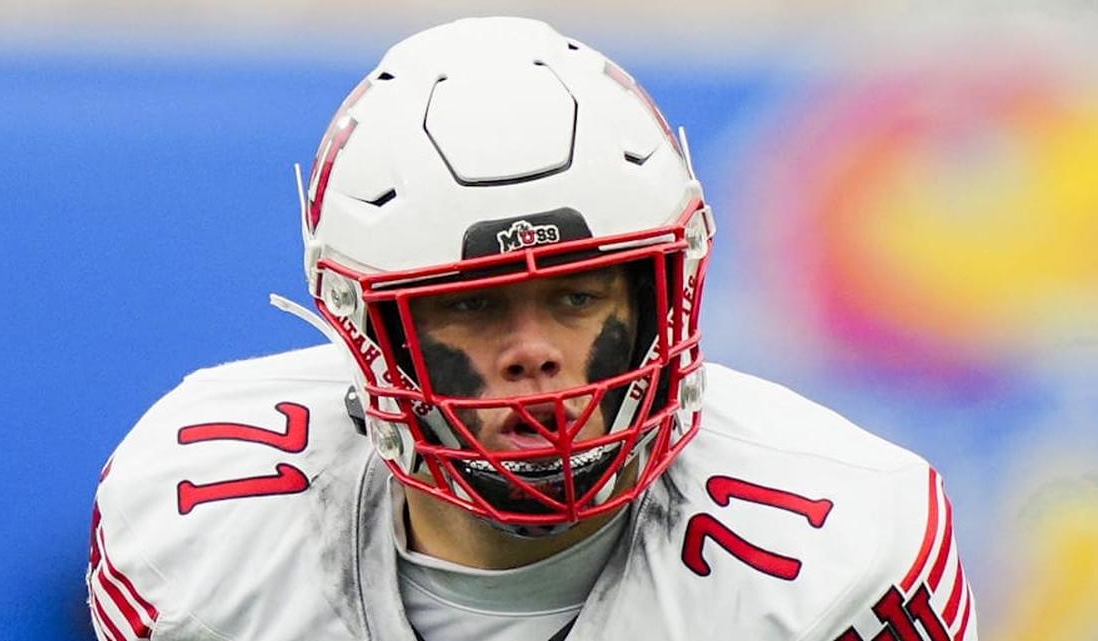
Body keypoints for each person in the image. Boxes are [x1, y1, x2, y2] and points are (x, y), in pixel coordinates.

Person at [86, 16, 977, 641]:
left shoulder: (841, 568)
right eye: (471, 304)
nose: (536, 350)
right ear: (365, 325)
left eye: (580, 295)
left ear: (662, 291)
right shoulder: (201, 536)